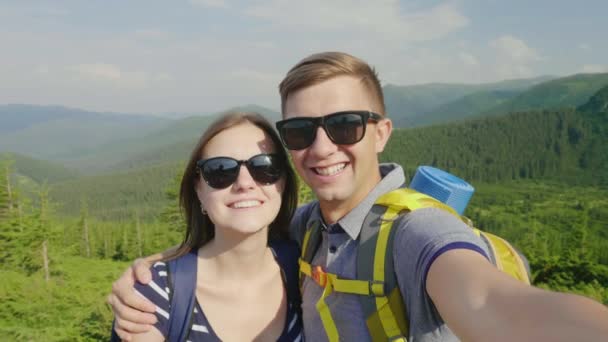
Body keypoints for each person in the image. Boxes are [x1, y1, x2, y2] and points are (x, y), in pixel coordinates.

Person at [109, 52, 608, 341]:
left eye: (345, 125)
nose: (323, 147)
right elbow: (237, 234)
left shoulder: (417, 233)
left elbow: (490, 303)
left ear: (381, 132)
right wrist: (163, 271)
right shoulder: (306, 228)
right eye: (301, 131)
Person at [117, 111, 302, 341]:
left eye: (264, 167)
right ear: (199, 190)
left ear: (283, 182)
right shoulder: (158, 293)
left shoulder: (306, 268)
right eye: (220, 170)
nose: (245, 183)